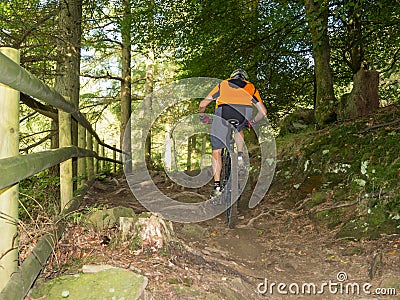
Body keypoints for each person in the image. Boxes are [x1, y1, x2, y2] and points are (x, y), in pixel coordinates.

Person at [199, 69, 268, 199]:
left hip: (223, 113)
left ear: (232, 77)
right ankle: (240, 156)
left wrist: (202, 116)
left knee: (217, 151)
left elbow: (203, 104)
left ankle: (217, 187)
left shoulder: (223, 84)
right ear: (245, 78)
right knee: (239, 127)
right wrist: (252, 121)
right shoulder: (251, 87)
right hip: (243, 114)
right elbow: (263, 112)